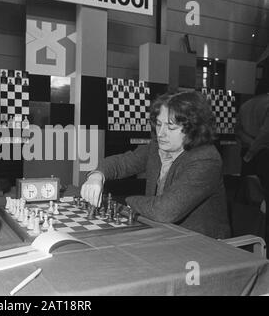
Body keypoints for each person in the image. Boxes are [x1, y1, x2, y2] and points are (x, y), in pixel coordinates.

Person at [81, 91, 231, 239]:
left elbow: (164, 211)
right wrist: (96, 176)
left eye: (171, 127)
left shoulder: (205, 159)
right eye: (159, 124)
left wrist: (125, 203)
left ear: (193, 129)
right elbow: (121, 163)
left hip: (201, 246)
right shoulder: (157, 148)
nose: (161, 133)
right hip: (163, 234)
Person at [235, 90, 269, 250]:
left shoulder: (246, 105)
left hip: (248, 152)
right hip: (262, 153)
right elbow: (265, 133)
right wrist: (254, 149)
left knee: (248, 194)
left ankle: (247, 237)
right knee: (262, 198)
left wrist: (249, 146)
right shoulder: (267, 104)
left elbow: (238, 130)